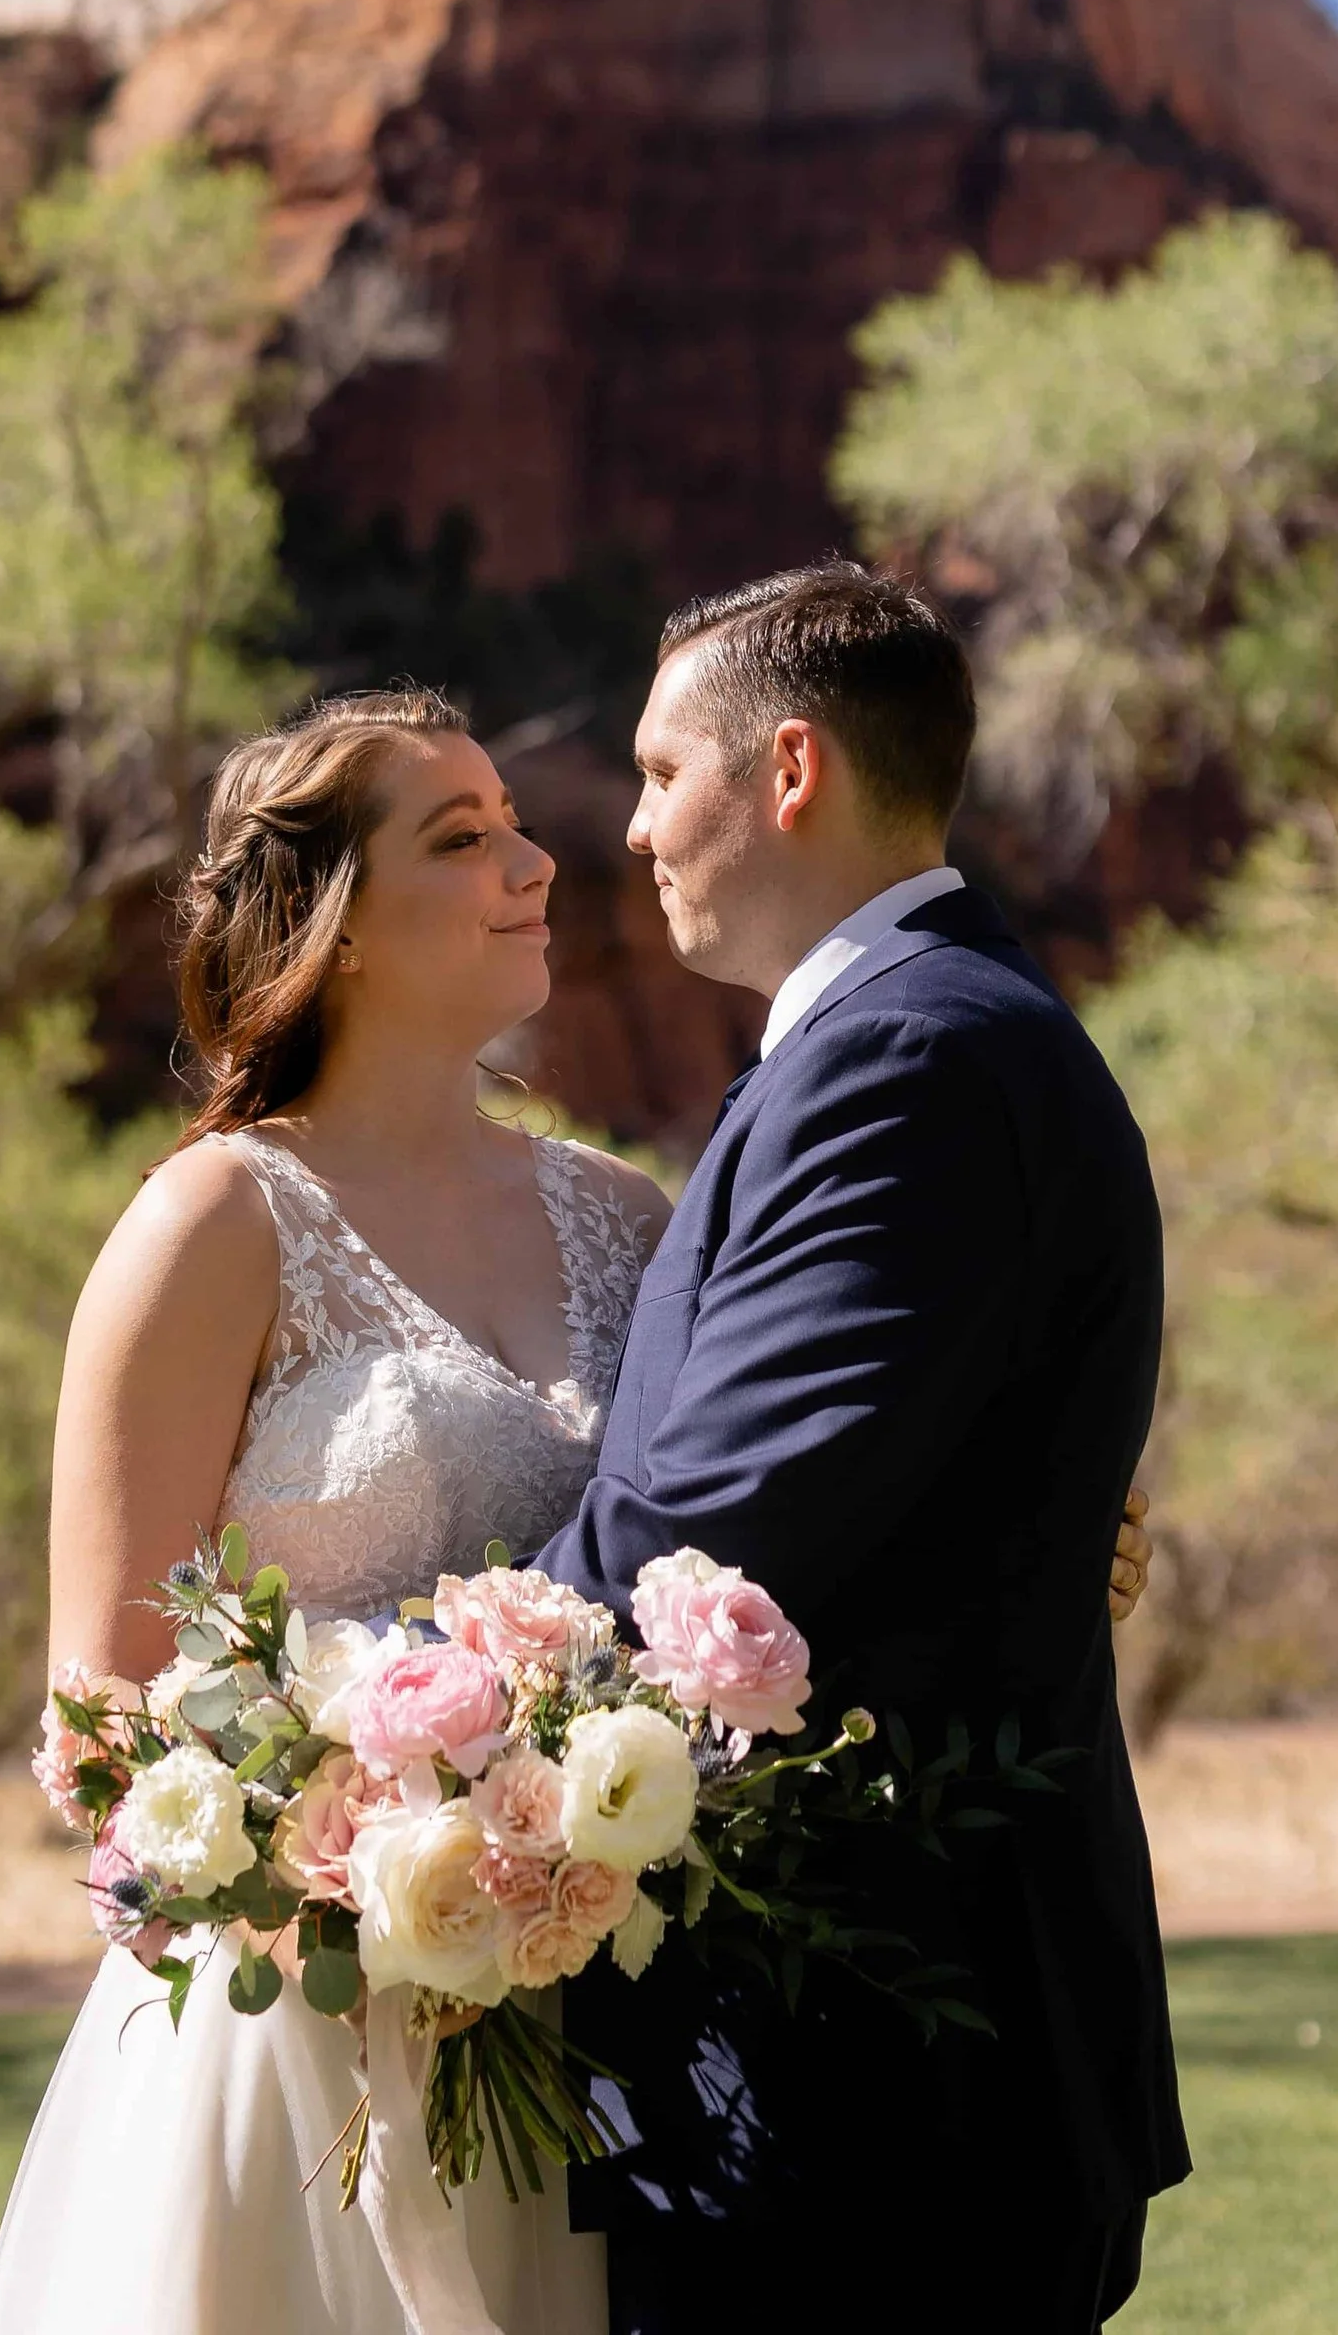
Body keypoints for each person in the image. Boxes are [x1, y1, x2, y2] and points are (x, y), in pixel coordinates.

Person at [0, 620, 1166, 2335]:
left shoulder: (624, 1213)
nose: (543, 859)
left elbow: (777, 1502)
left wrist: (1044, 1522)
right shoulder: (210, 1226)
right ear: (331, 921)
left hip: (588, 1991)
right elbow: (103, 1705)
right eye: (459, 837)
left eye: (517, 818)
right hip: (307, 2031)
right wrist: (328, 1840)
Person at [536, 562, 1188, 2332]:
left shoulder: (905, 1057)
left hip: (890, 2059)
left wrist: (371, 1719)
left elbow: (708, 1537)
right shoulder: (911, 1033)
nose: (638, 828)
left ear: (792, 768)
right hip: (862, 2055)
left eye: (668, 774)